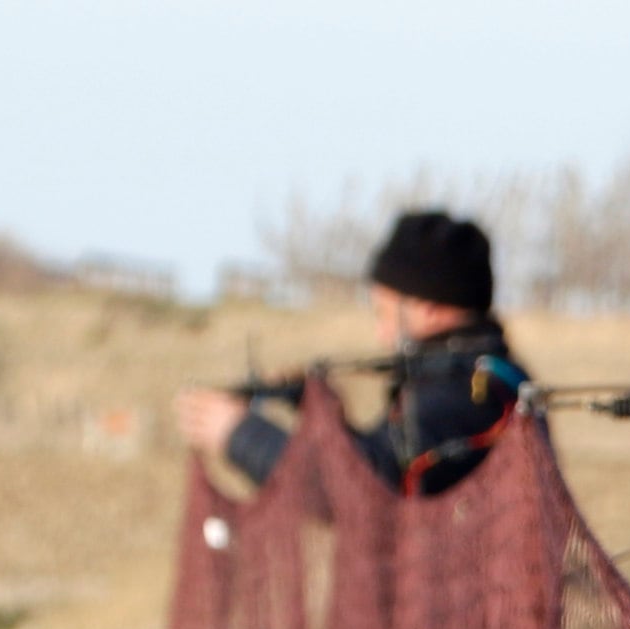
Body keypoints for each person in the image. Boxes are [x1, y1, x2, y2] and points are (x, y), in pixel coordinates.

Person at [174, 209, 526, 498]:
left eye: (383, 313)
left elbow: (358, 492)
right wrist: (319, 414)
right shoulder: (470, 383)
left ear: (428, 308)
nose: (380, 332)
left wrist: (241, 434)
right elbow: (386, 470)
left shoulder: (465, 394)